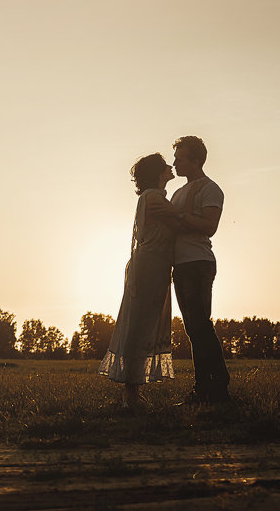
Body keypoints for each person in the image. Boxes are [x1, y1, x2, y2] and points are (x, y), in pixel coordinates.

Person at [98, 153, 176, 410]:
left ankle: (132, 393)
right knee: (140, 325)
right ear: (156, 173)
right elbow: (180, 221)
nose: (170, 167)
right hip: (150, 266)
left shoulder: (153, 197)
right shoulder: (153, 197)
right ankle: (130, 395)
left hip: (154, 265)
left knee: (144, 324)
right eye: (165, 165)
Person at [166, 135, 231, 404]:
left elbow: (209, 226)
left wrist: (178, 217)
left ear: (195, 161)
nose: (174, 163)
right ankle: (203, 388)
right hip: (180, 264)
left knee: (201, 325)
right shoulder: (178, 193)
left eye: (180, 158)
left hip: (198, 262)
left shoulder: (210, 189)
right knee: (193, 328)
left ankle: (218, 385)